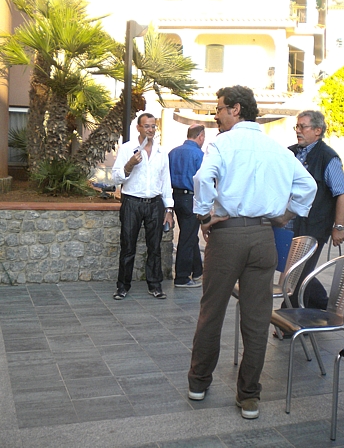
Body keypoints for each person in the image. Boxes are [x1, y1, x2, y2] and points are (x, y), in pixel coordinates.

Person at [187, 85, 317, 419]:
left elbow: (202, 178)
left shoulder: (223, 143)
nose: (216, 115)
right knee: (257, 320)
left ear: (236, 109)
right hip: (263, 236)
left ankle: (199, 383)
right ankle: (248, 397)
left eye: (219, 108)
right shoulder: (277, 148)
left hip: (227, 236)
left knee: (211, 312)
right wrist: (285, 215)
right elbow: (308, 186)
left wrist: (203, 215)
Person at [285, 110, 344, 310]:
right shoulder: (290, 153)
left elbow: (341, 193)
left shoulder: (328, 157)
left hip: (313, 227)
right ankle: (324, 306)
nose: (298, 131)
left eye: (303, 127)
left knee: (297, 275)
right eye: (297, 126)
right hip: (287, 225)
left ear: (318, 130)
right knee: (295, 271)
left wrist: (339, 226)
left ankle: (289, 316)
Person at [112, 113, 174, 300]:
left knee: (154, 247)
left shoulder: (161, 152)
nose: (150, 130)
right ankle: (123, 286)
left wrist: (169, 209)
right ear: (138, 128)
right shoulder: (127, 149)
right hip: (132, 202)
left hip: (154, 204)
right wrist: (130, 164)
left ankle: (155, 286)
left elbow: (166, 182)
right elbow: (116, 178)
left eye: (153, 126)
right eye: (147, 126)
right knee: (128, 246)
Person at [168, 124, 206, 288]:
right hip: (191, 198)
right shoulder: (199, 155)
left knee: (189, 235)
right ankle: (182, 277)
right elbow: (203, 181)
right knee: (187, 237)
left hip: (176, 197)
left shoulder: (173, 152)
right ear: (200, 136)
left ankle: (197, 271)